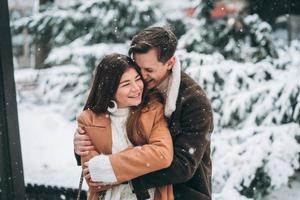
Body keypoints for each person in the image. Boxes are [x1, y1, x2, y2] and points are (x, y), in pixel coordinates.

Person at [74, 27, 214, 200]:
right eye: (138, 68)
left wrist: (116, 173)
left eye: (148, 70)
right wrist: (83, 142)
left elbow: (183, 166)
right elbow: (112, 127)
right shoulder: (140, 88)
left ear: (170, 63)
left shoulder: (193, 102)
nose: (142, 77)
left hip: (185, 194)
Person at [77, 53, 174, 200]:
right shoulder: (88, 120)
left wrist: (110, 166)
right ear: (110, 89)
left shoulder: (153, 110)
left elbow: (162, 154)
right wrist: (142, 161)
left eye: (137, 79)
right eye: (126, 84)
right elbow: (93, 177)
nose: (136, 88)